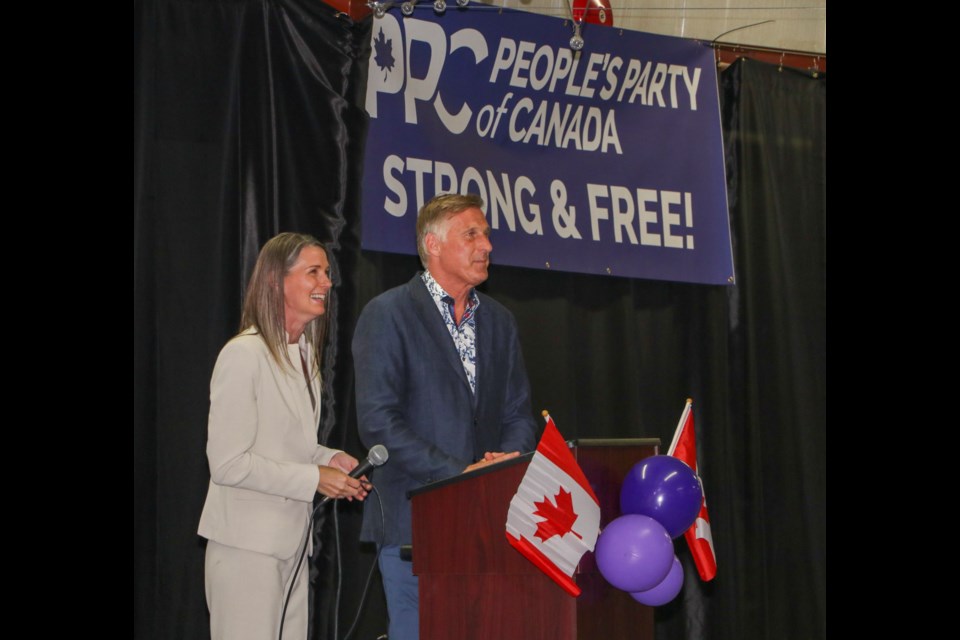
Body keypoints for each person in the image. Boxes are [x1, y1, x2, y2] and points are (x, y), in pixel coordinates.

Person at [352, 194, 538, 640]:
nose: (487, 244)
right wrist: (461, 475)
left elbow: (518, 412)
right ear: (432, 245)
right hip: (412, 524)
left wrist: (504, 464)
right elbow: (379, 422)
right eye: (471, 233)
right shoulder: (388, 314)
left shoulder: (499, 321)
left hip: (489, 524)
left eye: (487, 234)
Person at [198, 233, 369, 640]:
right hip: (245, 549)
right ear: (276, 282)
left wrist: (328, 458)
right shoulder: (243, 355)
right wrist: (314, 478)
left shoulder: (304, 356)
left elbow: (288, 446)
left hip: (290, 546)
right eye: (313, 272)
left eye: (327, 273)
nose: (326, 283)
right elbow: (227, 464)